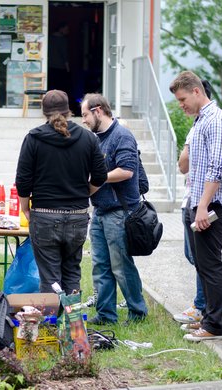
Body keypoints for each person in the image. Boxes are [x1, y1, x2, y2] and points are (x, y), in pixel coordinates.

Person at [15, 90, 107, 294]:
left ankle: (51, 326)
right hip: (77, 216)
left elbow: (23, 180)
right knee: (72, 273)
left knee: (49, 278)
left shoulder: (33, 138)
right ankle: (74, 326)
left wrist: (25, 207)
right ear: (69, 111)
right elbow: (100, 176)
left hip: (44, 216)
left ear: (43, 112)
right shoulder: (88, 138)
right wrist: (85, 192)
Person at [169, 71, 222, 341]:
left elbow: (216, 168)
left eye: (183, 99)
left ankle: (215, 326)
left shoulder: (218, 121)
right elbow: (187, 165)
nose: (181, 105)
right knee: (202, 264)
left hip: (211, 204)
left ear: (197, 91)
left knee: (210, 266)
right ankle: (207, 318)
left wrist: (202, 206)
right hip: (199, 201)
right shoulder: (200, 121)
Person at [80, 93, 148, 325]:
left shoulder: (122, 136)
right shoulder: (95, 139)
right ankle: (106, 315)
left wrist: (96, 179)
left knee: (121, 266)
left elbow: (127, 171)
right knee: (100, 266)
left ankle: (137, 313)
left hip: (120, 212)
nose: (84, 121)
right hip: (99, 211)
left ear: (98, 111)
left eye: (85, 115)